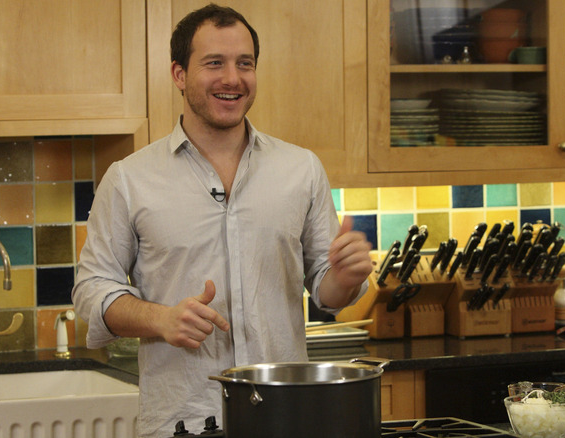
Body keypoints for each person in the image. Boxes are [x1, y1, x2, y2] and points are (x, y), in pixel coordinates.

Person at [72, 3, 373, 437]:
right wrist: (161, 319)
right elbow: (92, 290)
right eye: (214, 63)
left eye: (244, 64)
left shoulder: (301, 170)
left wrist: (344, 277)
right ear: (179, 74)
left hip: (288, 418)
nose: (232, 78)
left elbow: (327, 290)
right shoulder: (128, 179)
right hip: (183, 419)